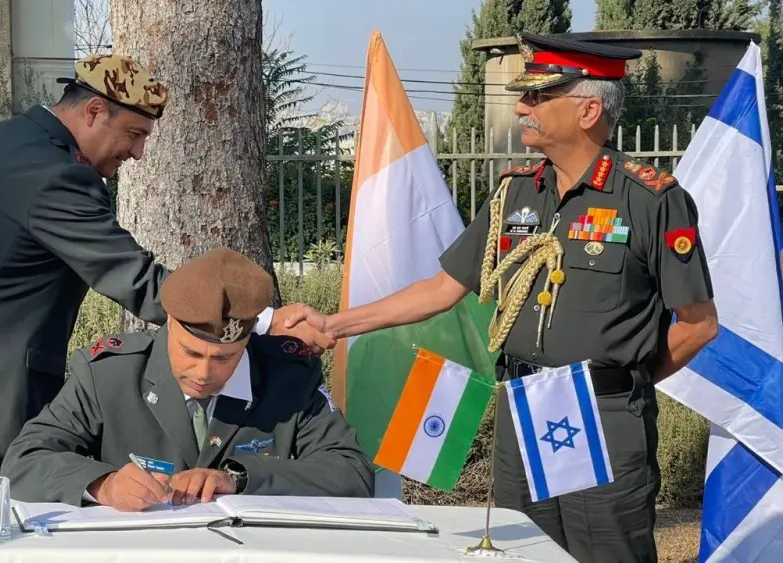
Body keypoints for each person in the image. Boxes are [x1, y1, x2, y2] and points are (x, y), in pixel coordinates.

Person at [285, 33, 719, 563]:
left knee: (606, 551)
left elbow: (698, 324)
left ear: (587, 110)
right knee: (527, 551)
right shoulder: (516, 191)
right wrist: (333, 324)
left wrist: (617, 384)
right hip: (523, 410)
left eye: (538, 97)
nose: (521, 107)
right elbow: (441, 288)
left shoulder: (650, 200)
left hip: (602, 416)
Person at [0, 53, 333, 512]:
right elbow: (135, 279)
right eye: (133, 133)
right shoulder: (56, 177)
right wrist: (258, 320)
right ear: (92, 111)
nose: (137, 152)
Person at [1, 247, 375, 509]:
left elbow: (352, 471)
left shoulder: (287, 377)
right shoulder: (108, 375)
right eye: (191, 352)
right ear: (169, 326)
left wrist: (241, 479)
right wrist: (104, 484)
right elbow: (24, 461)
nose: (203, 373)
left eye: (226, 358)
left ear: (248, 341)